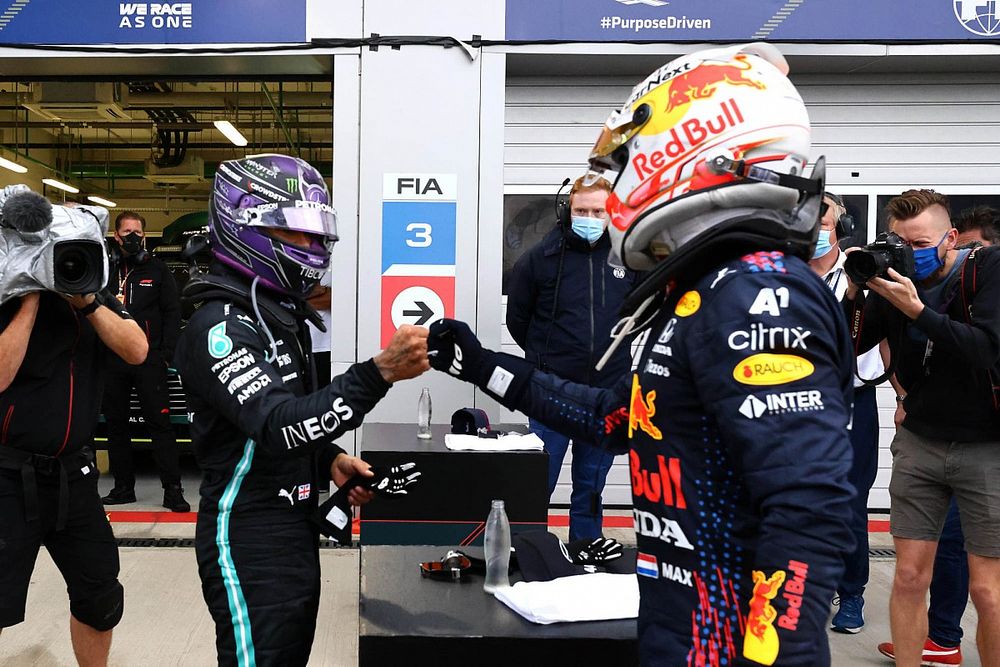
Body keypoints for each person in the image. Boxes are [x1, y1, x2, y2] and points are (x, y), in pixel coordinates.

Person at [428, 43, 855, 665]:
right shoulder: (706, 288)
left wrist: (777, 653)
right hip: (676, 630)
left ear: (680, 146)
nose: (619, 183)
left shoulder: (756, 289)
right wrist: (483, 366)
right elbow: (623, 418)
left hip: (723, 647)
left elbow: (808, 502)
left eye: (626, 162)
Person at [172, 154, 429, 666]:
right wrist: (378, 372)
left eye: (318, 235)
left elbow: (281, 416)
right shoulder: (220, 326)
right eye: (298, 235)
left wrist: (327, 459)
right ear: (246, 225)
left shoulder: (274, 312)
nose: (314, 248)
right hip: (246, 533)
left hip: (292, 525)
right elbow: (274, 425)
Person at [844, 189, 1000, 667]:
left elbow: (987, 350)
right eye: (902, 242)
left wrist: (919, 312)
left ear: (950, 237)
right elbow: (848, 345)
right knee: (910, 577)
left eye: (921, 242)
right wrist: (855, 291)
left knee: (987, 589)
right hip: (919, 442)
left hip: (986, 446)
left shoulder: (987, 270)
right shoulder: (894, 282)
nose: (911, 252)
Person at [0, 194, 149, 665]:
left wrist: (85, 300)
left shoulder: (90, 293)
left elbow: (137, 350)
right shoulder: (6, 296)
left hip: (73, 478)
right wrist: (30, 296)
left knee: (100, 595)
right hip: (6, 475)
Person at [505, 175, 640, 541]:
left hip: (606, 395)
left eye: (598, 211)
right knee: (540, 482)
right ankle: (531, 551)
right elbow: (517, 319)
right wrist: (545, 362)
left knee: (591, 485)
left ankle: (587, 550)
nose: (590, 217)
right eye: (582, 210)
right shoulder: (539, 259)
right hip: (551, 392)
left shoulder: (628, 258)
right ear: (568, 210)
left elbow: (643, 314)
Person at [808, 192, 886, 634]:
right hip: (798, 402)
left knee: (851, 504)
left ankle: (852, 592)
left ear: (840, 224)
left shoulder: (863, 271)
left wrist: (904, 396)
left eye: (823, 220)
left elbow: (890, 339)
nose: (815, 229)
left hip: (853, 401)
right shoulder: (787, 273)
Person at [100, 210, 190, 512]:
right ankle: (123, 488)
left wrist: (165, 355)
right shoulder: (104, 271)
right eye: (127, 233)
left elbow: (172, 313)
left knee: (160, 424)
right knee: (116, 426)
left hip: (149, 360)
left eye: (138, 233)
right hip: (112, 359)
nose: (133, 238)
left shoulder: (158, 270)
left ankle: (172, 490)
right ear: (116, 235)